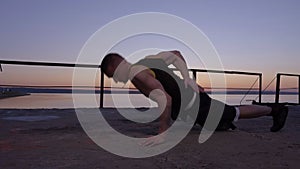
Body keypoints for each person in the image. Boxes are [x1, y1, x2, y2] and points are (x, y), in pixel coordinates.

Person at [101, 50, 288, 146]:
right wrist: (187, 78)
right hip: (189, 106)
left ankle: (275, 110)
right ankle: (220, 123)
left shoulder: (137, 74)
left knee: (234, 112)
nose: (116, 80)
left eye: (114, 75)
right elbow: (175, 54)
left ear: (121, 65)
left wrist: (162, 133)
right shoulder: (147, 61)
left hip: (195, 103)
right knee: (216, 121)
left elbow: (165, 98)